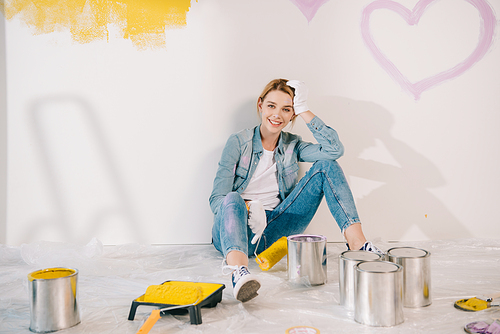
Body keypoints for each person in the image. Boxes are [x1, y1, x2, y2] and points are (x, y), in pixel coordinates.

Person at [209, 79, 382, 303]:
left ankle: (358, 245)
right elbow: (217, 201)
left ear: (292, 115)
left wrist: (304, 109)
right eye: (271, 106)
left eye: (286, 109)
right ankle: (239, 273)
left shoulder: (293, 144)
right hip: (234, 230)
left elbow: (333, 151)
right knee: (231, 197)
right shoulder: (238, 142)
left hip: (273, 230)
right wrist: (250, 208)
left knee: (327, 166)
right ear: (260, 105)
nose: (277, 115)